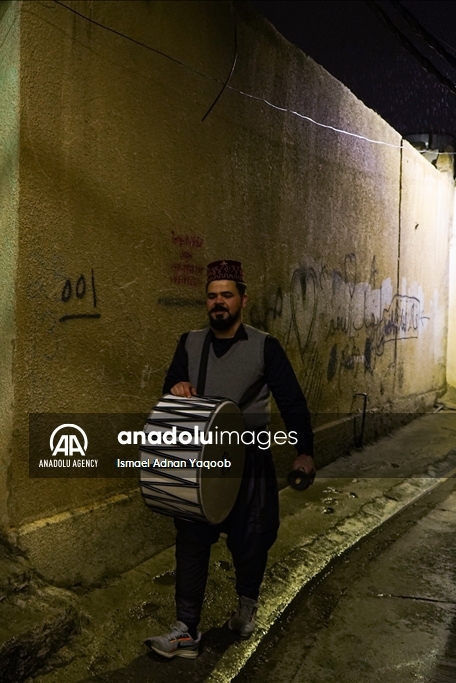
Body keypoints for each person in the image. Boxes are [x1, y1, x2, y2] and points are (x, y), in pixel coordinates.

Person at [144, 260, 316, 659]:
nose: (218, 302)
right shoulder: (188, 342)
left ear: (242, 299)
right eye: (212, 295)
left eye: (226, 295)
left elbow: (291, 402)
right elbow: (169, 386)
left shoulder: (264, 346)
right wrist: (177, 386)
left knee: (252, 536)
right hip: (198, 457)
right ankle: (186, 629)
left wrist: (304, 452)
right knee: (191, 538)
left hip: (249, 457)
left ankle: (246, 607)